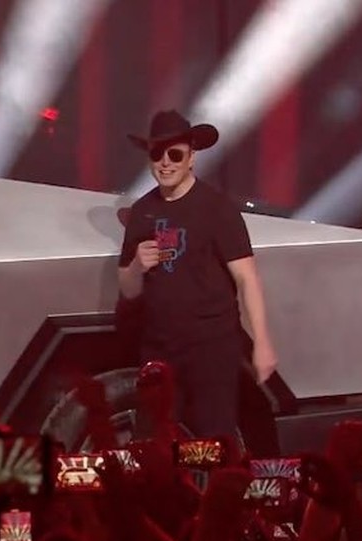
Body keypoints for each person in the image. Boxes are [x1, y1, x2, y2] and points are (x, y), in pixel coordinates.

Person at [117, 110, 278, 442]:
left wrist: (262, 344)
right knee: (155, 445)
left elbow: (247, 279)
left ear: (191, 158)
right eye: (156, 154)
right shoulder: (143, 212)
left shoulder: (216, 209)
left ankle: (216, 495)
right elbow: (128, 289)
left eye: (174, 154)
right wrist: (136, 266)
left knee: (214, 444)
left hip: (211, 348)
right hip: (159, 348)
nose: (165, 163)